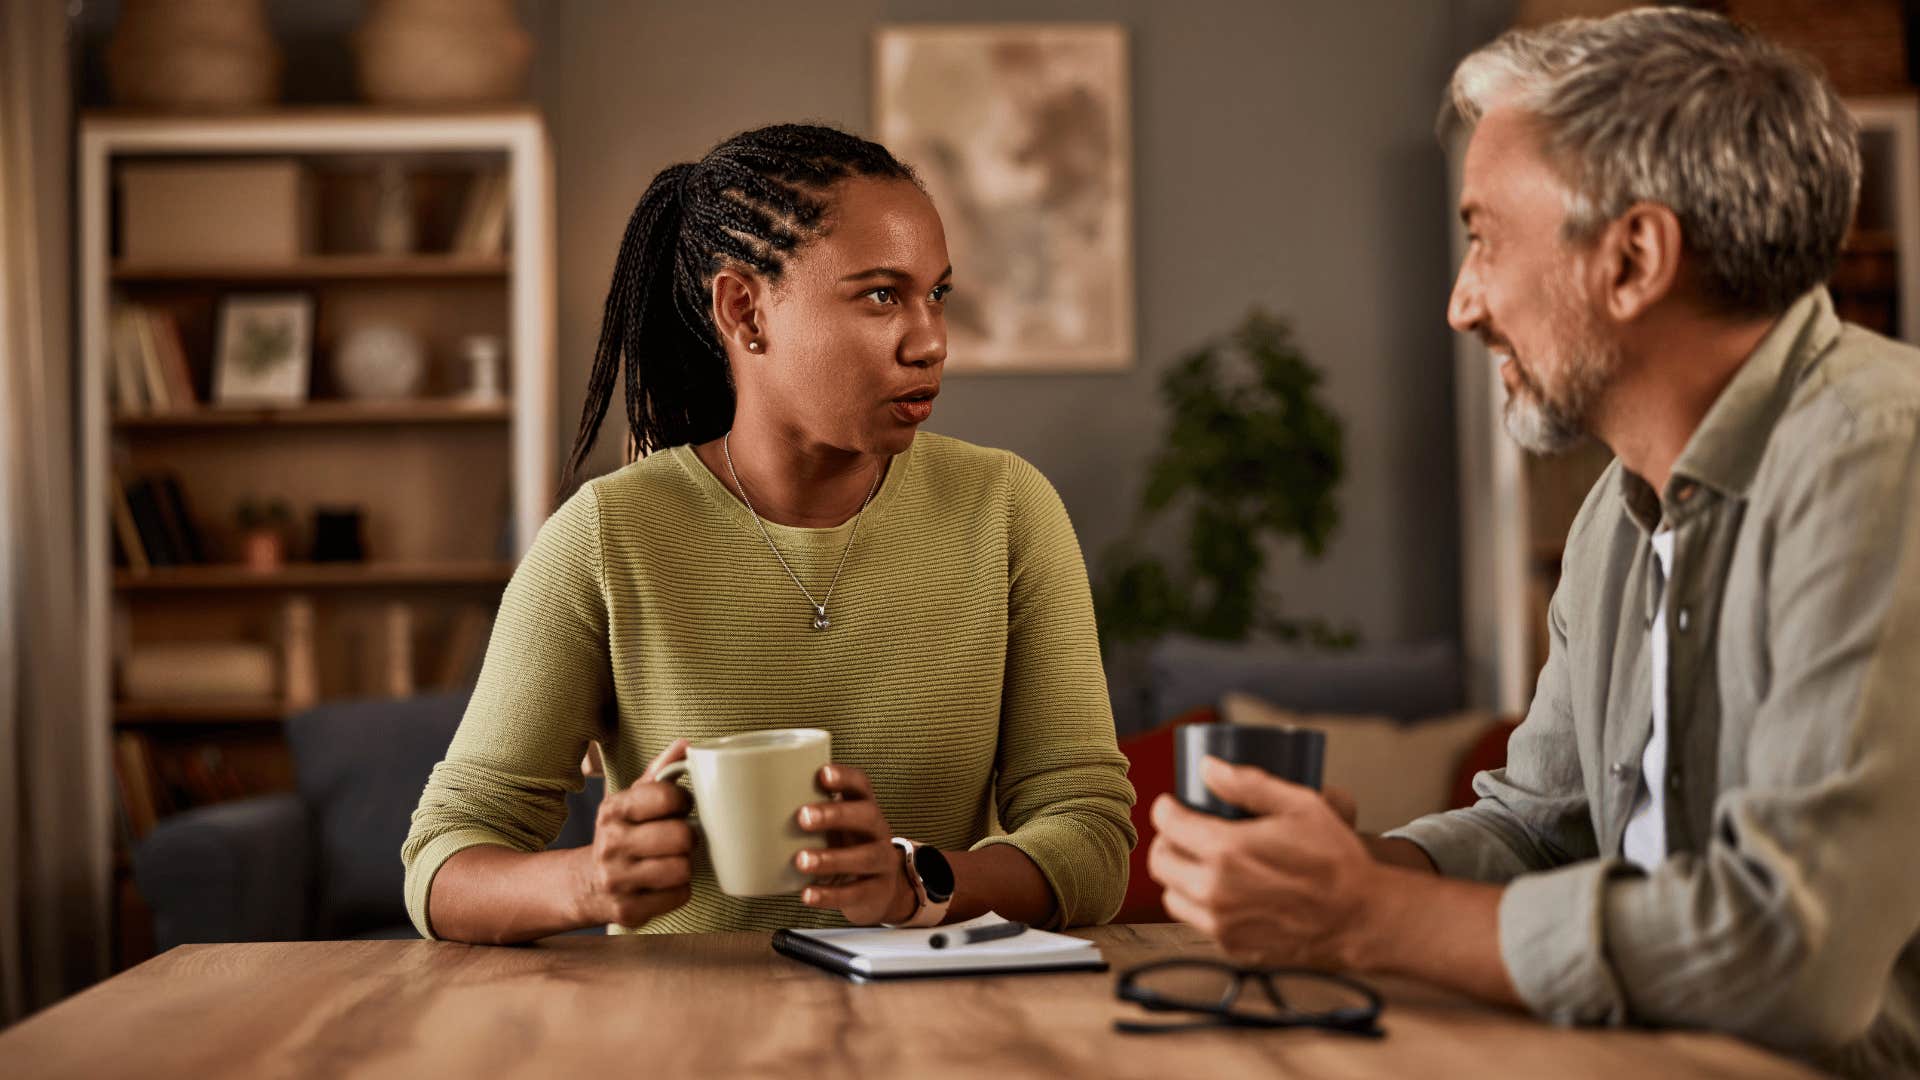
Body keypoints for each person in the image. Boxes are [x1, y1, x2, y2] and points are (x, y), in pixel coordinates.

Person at [1147, 10, 1920, 1075]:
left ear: (1633, 257)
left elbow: (1797, 949)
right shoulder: (1618, 514)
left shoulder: (1882, 457)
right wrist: (1341, 869)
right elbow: (1536, 832)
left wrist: (1365, 916)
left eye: (1483, 236)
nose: (1464, 303)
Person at [403, 123, 1135, 944]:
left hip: (944, 1029)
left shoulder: (1006, 509)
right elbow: (443, 862)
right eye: (882, 295)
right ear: (744, 310)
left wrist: (914, 883)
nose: (931, 340)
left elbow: (1091, 839)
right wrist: (587, 882)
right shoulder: (607, 536)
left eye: (938, 295)